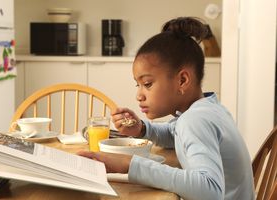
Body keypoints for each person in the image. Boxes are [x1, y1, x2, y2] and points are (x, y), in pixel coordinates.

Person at [79, 17, 255, 200]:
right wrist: (142, 129)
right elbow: (175, 132)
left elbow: (210, 190)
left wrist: (129, 164)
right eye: (137, 85)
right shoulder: (207, 109)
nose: (139, 95)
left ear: (182, 80)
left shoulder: (195, 120)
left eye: (147, 84)